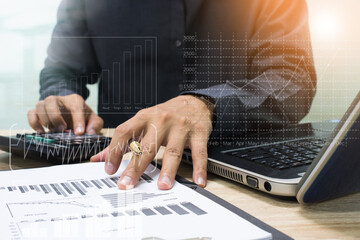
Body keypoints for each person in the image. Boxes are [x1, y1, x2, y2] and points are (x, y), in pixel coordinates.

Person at [27, 0, 316, 191]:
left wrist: (206, 103)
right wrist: (61, 96)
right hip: (121, 170)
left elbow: (292, 78)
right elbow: (60, 70)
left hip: (229, 178)